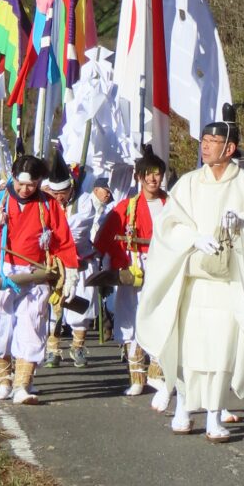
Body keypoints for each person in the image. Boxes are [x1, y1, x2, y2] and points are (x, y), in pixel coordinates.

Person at [136, 104, 244, 442]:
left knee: (220, 351)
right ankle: (185, 407)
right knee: (190, 348)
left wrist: (243, 225)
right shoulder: (187, 184)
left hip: (229, 283)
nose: (204, 147)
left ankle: (215, 415)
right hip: (193, 281)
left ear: (229, 148)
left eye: (211, 141)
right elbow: (168, 226)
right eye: (202, 141)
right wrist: (192, 237)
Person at [0, 155, 79, 405]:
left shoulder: (49, 205)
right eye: (20, 184)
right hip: (4, 271)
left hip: (36, 272)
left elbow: (63, 241)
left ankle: (22, 385)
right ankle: (3, 380)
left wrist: (70, 273)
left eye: (31, 185)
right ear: (13, 179)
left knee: (32, 326)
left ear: (39, 182)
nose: (24, 190)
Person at [94, 144, 169, 397]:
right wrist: (112, 265)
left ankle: (157, 372)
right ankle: (137, 377)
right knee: (132, 320)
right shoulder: (126, 206)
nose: (152, 178)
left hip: (164, 267)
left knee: (163, 318)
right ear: (139, 176)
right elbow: (103, 240)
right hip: (135, 266)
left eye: (157, 173)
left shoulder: (171, 204)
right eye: (147, 173)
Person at [43, 152, 103, 368]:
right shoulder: (45, 203)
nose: (59, 197)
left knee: (81, 308)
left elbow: (73, 234)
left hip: (80, 261)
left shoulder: (85, 201)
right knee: (52, 307)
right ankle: (53, 348)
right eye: (55, 192)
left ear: (71, 187)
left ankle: (77, 347)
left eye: (63, 192)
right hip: (54, 264)